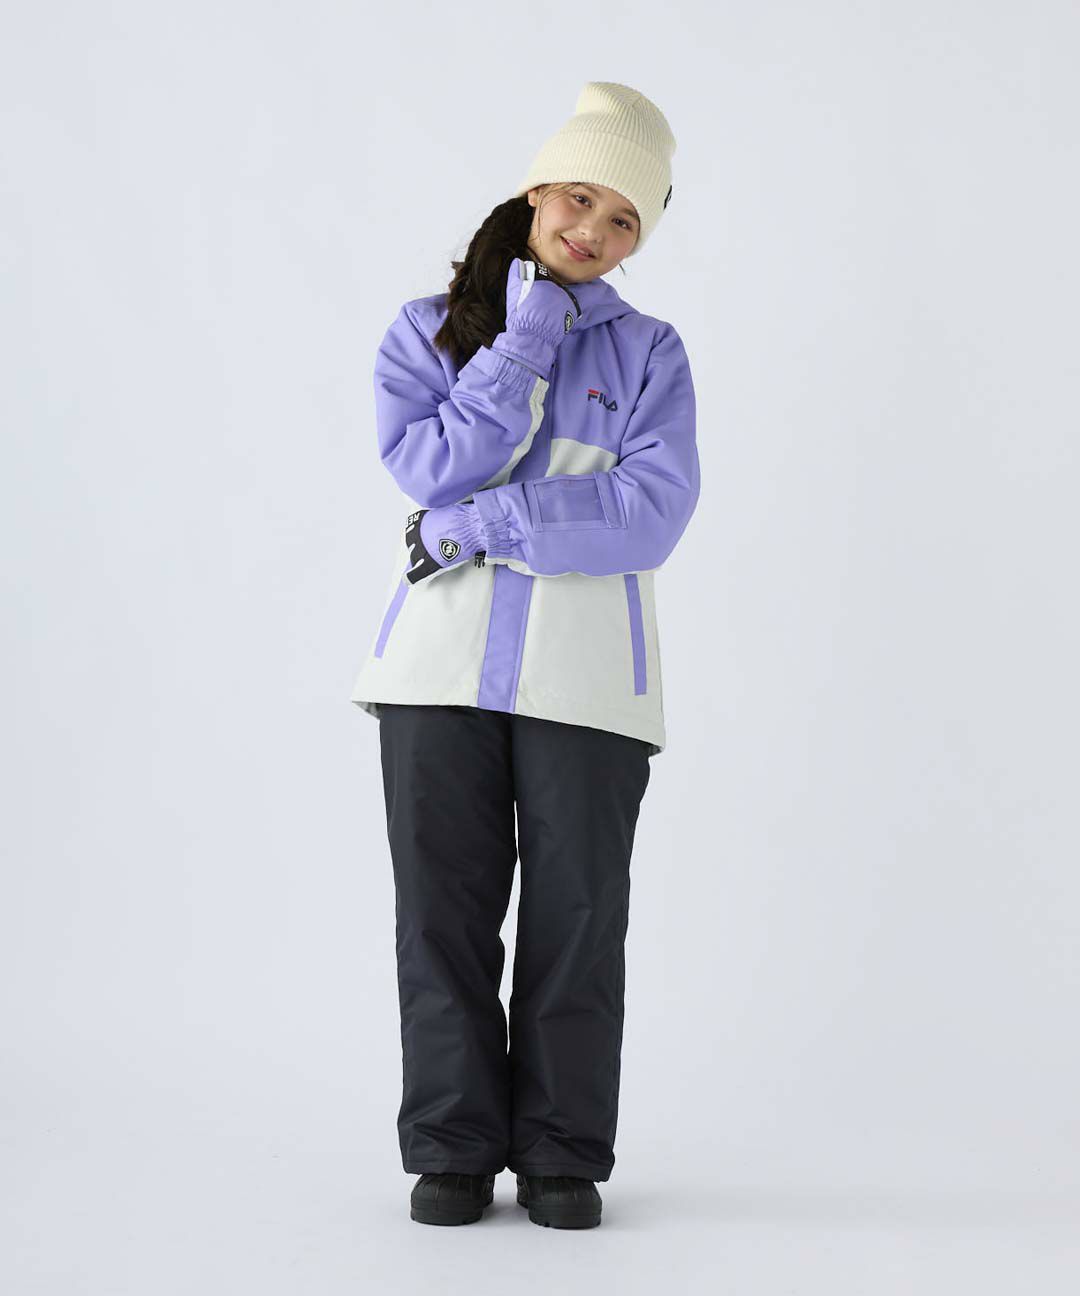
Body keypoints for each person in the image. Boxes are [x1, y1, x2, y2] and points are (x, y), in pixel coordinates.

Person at [348, 81, 699, 1229]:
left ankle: (560, 1153)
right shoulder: (428, 330)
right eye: (581, 198)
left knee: (579, 922)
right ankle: (451, 1146)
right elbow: (429, 470)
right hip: (434, 672)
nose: (593, 230)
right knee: (440, 916)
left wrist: (489, 527)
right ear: (538, 188)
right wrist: (529, 337)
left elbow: (649, 512)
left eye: (624, 219)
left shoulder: (650, 354)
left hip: (588, 684)